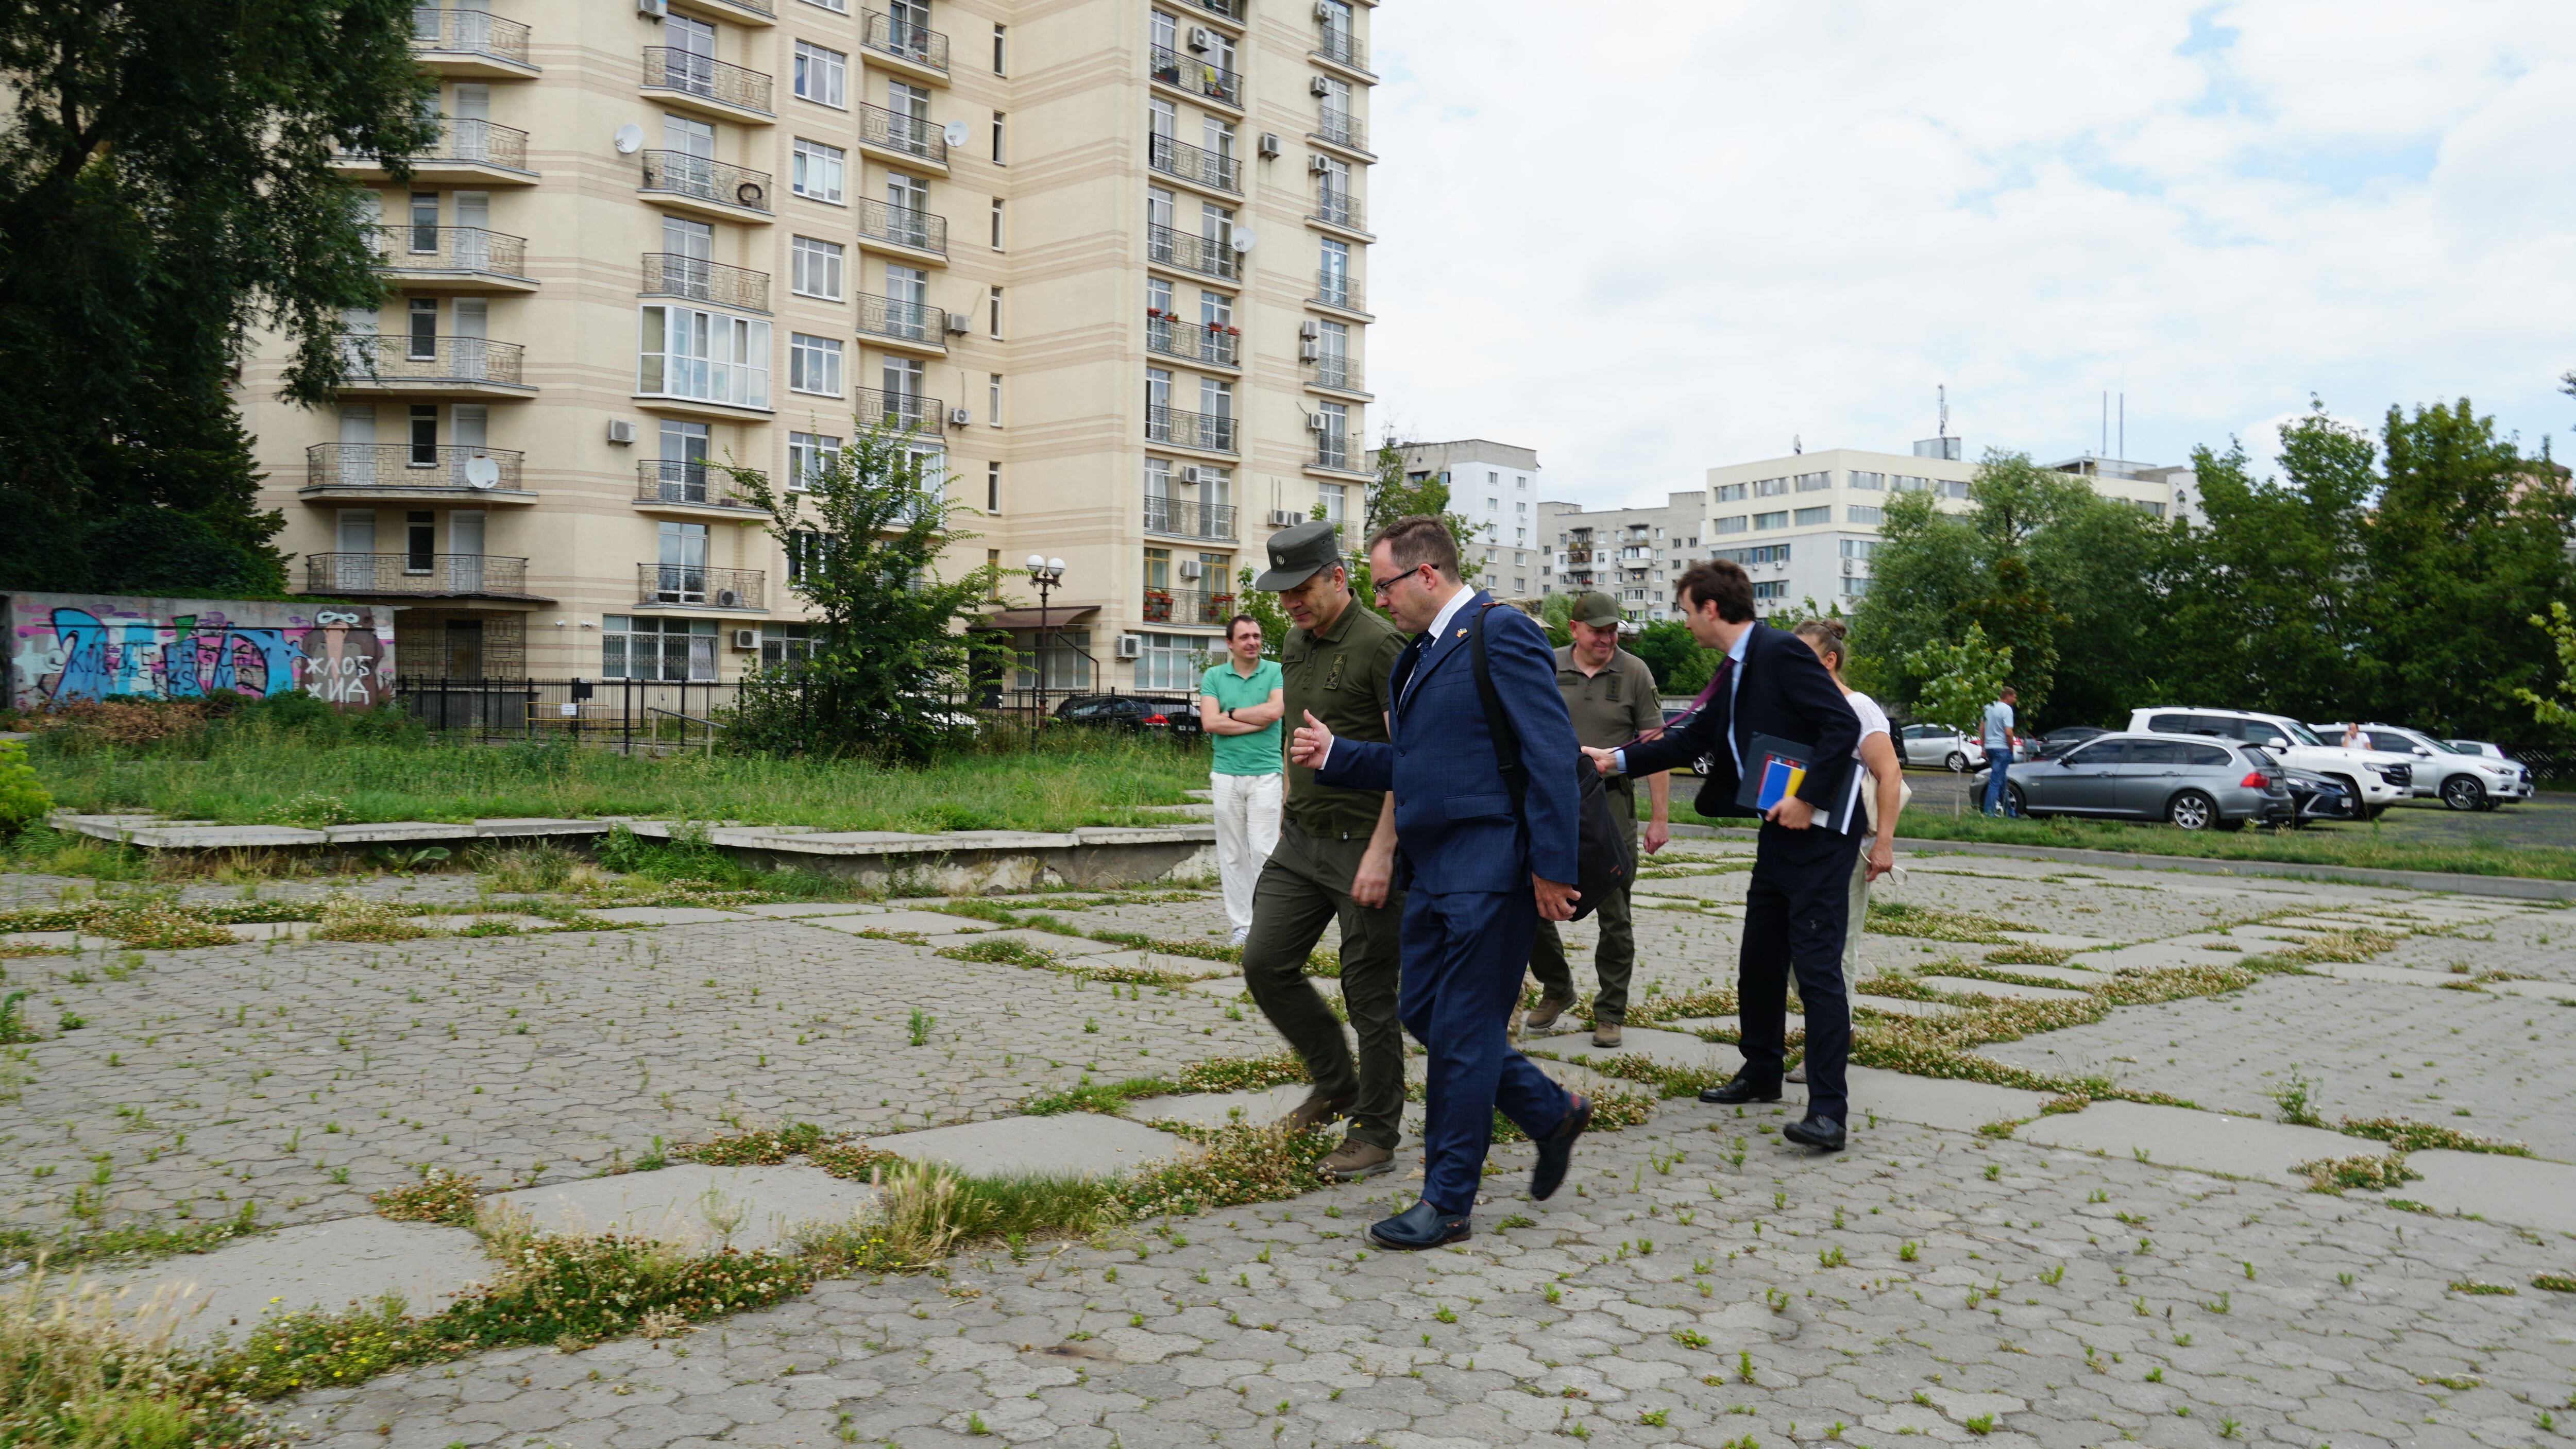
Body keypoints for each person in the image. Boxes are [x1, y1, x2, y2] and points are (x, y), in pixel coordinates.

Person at [1291, 516, 1592, 1249]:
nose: (1379, 600)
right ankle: (1549, 1110)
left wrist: (1553, 867)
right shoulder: (1422, 655)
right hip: (1433, 872)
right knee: (1423, 1010)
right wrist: (1338, 754)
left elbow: (1551, 754)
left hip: (1491, 870)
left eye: (1384, 584)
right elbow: (1420, 763)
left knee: (1460, 1036)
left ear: (1426, 575)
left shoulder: (1500, 633)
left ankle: (1447, 1201)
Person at [1587, 559, 1863, 1151]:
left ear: (1710, 608)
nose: (1684, 622)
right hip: (1779, 829)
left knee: (1815, 968)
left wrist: (1805, 797)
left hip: (1820, 832)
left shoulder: (1782, 653)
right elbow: (1692, 737)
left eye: (1685, 610)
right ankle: (1761, 1071)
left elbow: (1840, 725)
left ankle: (1828, 1111)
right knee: (1758, 958)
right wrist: (1615, 761)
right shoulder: (1735, 667)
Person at [1240, 522, 1410, 1182]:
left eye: (1301, 589)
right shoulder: (1293, 640)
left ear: (1337, 577)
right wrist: (1287, 803)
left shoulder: (1381, 646)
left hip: (1365, 845)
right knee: (1264, 961)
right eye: (1281, 593)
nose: (1288, 603)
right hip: (1303, 838)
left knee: (1369, 992)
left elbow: (1408, 758)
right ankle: (1334, 1081)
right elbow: (1295, 734)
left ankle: (1375, 1130)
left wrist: (1383, 852)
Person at [1523, 591, 1670, 1049]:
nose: (1607, 638)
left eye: (1613, 630)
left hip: (1610, 806)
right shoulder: (1545, 664)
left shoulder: (1635, 672)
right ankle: (1558, 986)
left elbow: (1656, 746)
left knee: (1616, 913)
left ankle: (1610, 1012)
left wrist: (1659, 818)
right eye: (1598, 630)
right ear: (1574, 629)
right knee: (1531, 905)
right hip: (1551, 803)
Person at [1785, 619, 1903, 1085]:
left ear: (1829, 659)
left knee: (1837, 947)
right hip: (1797, 845)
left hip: (1845, 848)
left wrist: (1885, 841)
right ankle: (1839, 1027)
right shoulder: (1799, 708)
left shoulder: (1860, 708)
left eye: (1802, 655)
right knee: (1789, 949)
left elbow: (1889, 774)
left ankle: (1829, 1042)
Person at [1200, 615, 1285, 947]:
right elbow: (1209, 722)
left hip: (1266, 773)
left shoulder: (1276, 671)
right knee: (1232, 853)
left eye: (1257, 635)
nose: (1253, 641)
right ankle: (1242, 927)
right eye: (1245, 637)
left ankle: (1269, 926)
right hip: (1225, 775)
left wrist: (1231, 714)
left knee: (1265, 851)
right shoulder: (1214, 676)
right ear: (1230, 644)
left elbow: (1275, 712)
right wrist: (1254, 719)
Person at [1980, 686, 2019, 817]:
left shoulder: (1988, 707)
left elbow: (1982, 728)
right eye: (2014, 697)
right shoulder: (2007, 709)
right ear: (2008, 696)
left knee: (2002, 780)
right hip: (2002, 748)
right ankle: (1989, 812)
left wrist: (1983, 746)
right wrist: (2011, 748)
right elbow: (2009, 733)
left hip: (1990, 748)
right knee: (1995, 781)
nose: (2015, 700)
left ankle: (2010, 813)